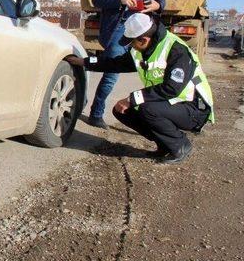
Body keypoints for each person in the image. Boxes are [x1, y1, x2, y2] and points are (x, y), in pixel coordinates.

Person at [67, 13, 214, 164]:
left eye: (131, 43)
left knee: (147, 109)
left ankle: (181, 145)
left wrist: (132, 98)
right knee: (121, 110)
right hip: (170, 104)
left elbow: (171, 88)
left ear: (143, 39)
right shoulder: (142, 50)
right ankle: (165, 145)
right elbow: (113, 63)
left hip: (194, 108)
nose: (130, 46)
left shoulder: (176, 50)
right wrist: (84, 62)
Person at [88, 0, 166, 129]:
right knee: (112, 71)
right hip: (120, 26)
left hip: (144, 26)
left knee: (152, 70)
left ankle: (154, 118)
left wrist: (158, 4)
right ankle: (96, 113)